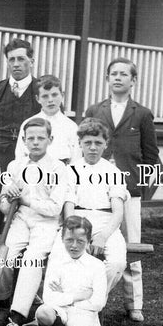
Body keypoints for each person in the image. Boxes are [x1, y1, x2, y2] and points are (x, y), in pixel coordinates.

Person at [85, 57, 160, 322]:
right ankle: (89, 296)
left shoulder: (141, 113)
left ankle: (134, 303)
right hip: (95, 191)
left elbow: (152, 156)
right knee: (95, 243)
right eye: (113, 73)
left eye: (123, 74)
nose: (118, 77)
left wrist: (140, 186)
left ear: (133, 80)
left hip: (128, 190)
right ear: (107, 79)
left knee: (131, 247)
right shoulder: (95, 109)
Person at [0, 117, 67, 326]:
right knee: (4, 258)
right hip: (19, 220)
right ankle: (3, 304)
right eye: (31, 139)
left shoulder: (58, 167)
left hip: (45, 224)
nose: (35, 142)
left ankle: (15, 320)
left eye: (41, 138)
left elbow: (55, 208)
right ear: (24, 140)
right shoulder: (14, 165)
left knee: (32, 260)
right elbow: (5, 207)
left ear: (50, 139)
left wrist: (26, 200)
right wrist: (7, 197)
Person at [63, 118, 127, 300]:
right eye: (88, 143)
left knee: (117, 263)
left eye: (98, 143)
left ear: (105, 144)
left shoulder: (113, 172)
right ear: (80, 144)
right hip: (77, 221)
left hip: (106, 224)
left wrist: (102, 236)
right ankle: (65, 303)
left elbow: (118, 212)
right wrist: (75, 232)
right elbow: (69, 207)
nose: (93, 147)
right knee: (62, 258)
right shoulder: (70, 170)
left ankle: (90, 300)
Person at [36, 216, 106, 326]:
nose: (74, 246)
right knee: (43, 313)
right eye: (69, 240)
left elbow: (98, 303)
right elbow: (49, 298)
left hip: (84, 313)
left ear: (88, 241)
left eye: (80, 241)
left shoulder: (97, 266)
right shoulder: (56, 263)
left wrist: (65, 297)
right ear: (62, 239)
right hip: (59, 310)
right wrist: (77, 296)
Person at [0, 38, 41, 172]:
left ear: (31, 62)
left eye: (21, 59)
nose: (16, 64)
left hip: (29, 158)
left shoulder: (43, 92)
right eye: (11, 60)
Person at [15, 75, 80, 164]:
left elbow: (76, 160)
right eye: (45, 96)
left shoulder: (71, 126)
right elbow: (20, 156)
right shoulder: (28, 124)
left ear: (62, 95)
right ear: (38, 99)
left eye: (54, 95)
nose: (50, 100)